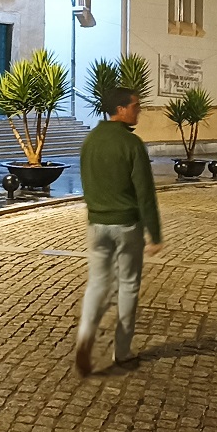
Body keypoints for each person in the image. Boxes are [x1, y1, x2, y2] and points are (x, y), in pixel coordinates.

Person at [75, 88, 163, 377]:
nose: (139, 110)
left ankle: (85, 339)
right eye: (135, 106)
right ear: (121, 109)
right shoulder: (131, 144)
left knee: (97, 284)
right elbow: (145, 193)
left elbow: (86, 181)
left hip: (97, 224)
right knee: (128, 285)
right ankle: (122, 351)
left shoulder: (91, 140)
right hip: (126, 224)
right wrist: (154, 234)